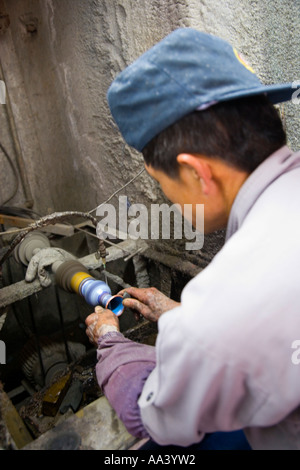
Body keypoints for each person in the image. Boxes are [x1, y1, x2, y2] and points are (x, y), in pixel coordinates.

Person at [85, 28, 300, 450]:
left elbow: (152, 417)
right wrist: (179, 316)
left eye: (161, 182)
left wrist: (111, 340)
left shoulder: (227, 299)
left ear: (196, 172)